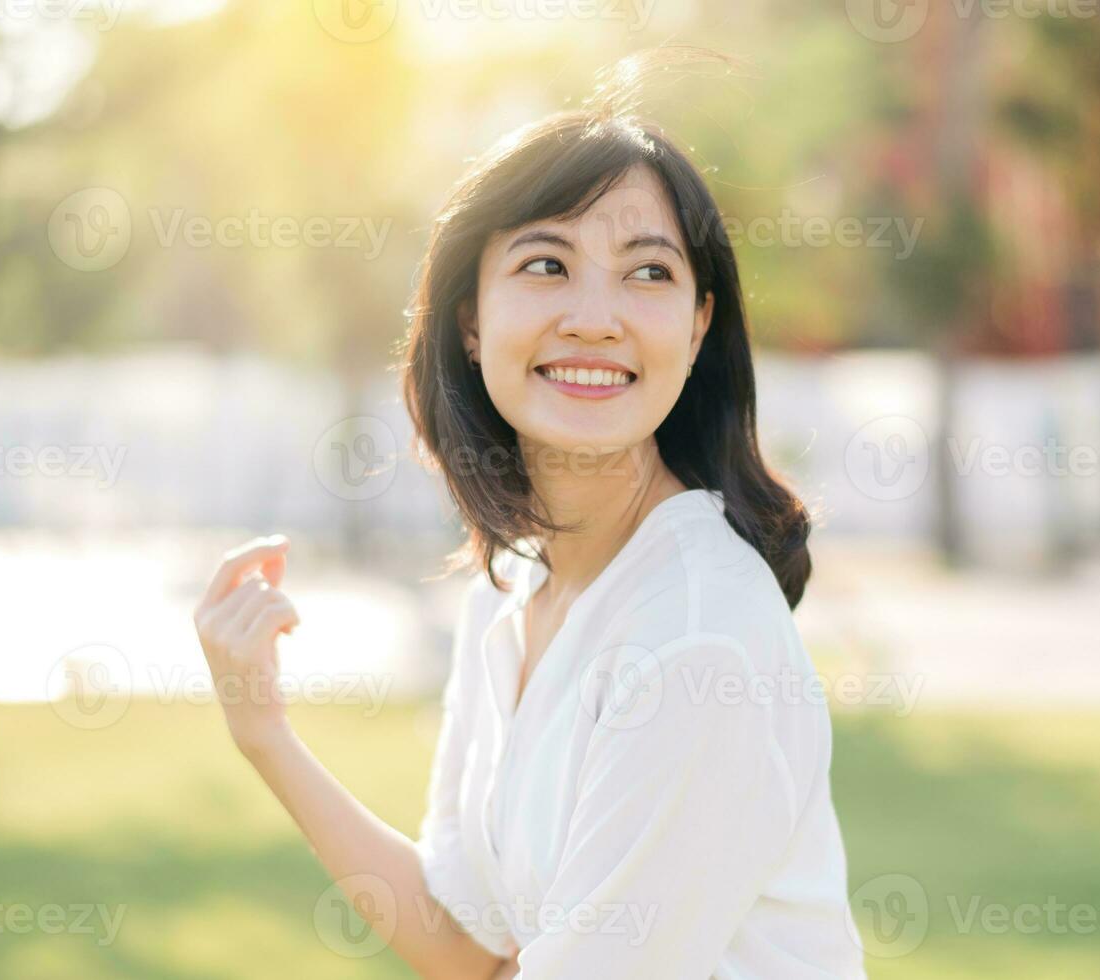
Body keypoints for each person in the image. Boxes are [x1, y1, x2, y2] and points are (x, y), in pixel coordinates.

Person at [191, 48, 866, 980]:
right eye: (547, 264)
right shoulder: (509, 592)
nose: (595, 318)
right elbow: (465, 942)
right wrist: (264, 732)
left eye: (648, 273)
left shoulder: (698, 646)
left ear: (700, 325)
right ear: (471, 320)